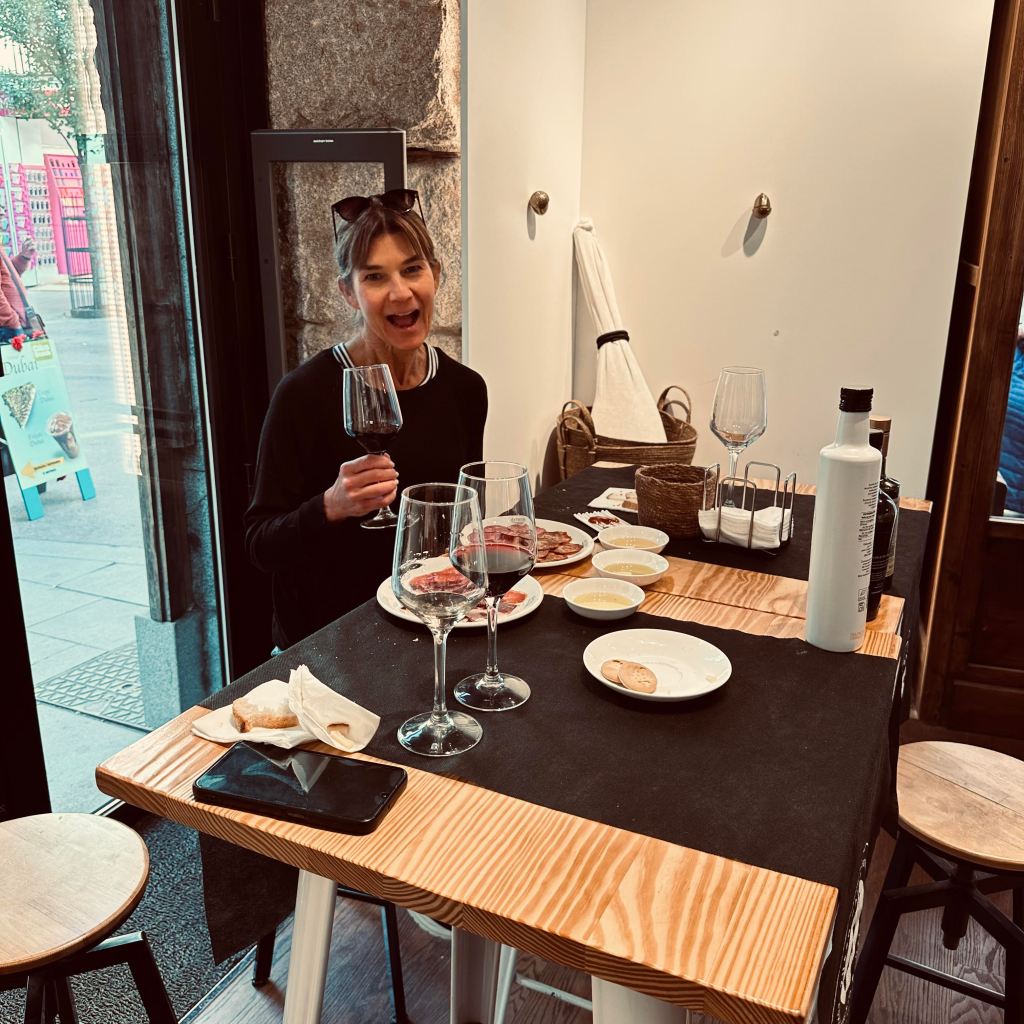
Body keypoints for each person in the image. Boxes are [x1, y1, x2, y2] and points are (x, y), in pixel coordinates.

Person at [245, 191, 488, 649]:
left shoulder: (465, 389)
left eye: (412, 269)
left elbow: (465, 524)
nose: (400, 292)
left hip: (433, 633)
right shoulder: (304, 393)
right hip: (328, 646)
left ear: (436, 275)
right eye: (374, 277)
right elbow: (260, 544)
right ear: (348, 293)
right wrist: (330, 506)